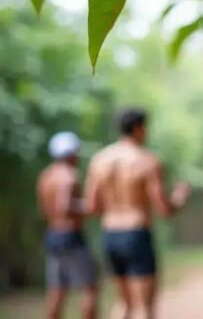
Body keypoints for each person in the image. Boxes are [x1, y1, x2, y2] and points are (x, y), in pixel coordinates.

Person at [84, 109, 190, 319]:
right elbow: (164, 209)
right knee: (145, 307)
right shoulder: (147, 161)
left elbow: (92, 206)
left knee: (124, 303)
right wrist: (179, 197)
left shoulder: (99, 160)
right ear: (139, 129)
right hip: (136, 234)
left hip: (110, 235)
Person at [37, 132, 99, 319]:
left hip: (53, 235)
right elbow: (65, 206)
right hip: (71, 236)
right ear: (71, 154)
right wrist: (89, 206)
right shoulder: (69, 175)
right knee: (90, 288)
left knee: (57, 291)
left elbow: (45, 209)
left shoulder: (46, 176)